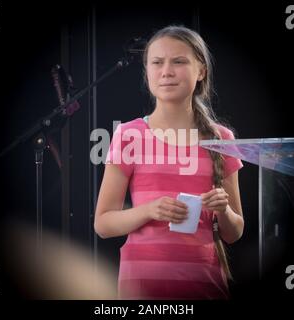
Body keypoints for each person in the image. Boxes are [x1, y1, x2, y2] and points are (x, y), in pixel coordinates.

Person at [94, 25, 244, 300]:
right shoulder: (129, 134)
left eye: (179, 61)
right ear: (147, 71)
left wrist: (223, 210)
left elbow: (233, 233)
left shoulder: (222, 138)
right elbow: (103, 224)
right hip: (140, 288)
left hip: (204, 285)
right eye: (157, 62)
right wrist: (150, 210)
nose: (166, 71)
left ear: (201, 71)